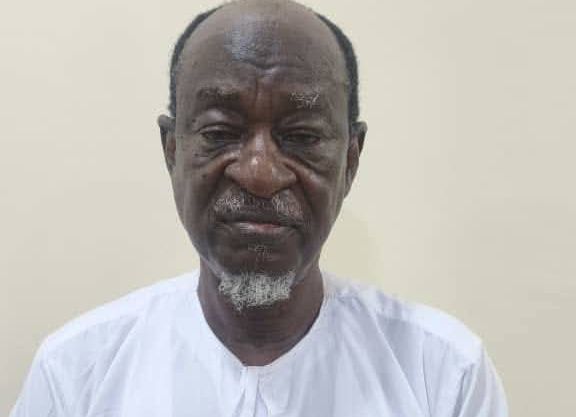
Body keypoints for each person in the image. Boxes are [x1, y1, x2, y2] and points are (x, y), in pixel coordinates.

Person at [11, 0, 508, 416]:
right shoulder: (76, 374)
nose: (259, 173)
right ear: (172, 151)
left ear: (350, 162)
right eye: (220, 132)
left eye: (302, 136)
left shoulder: (442, 375)